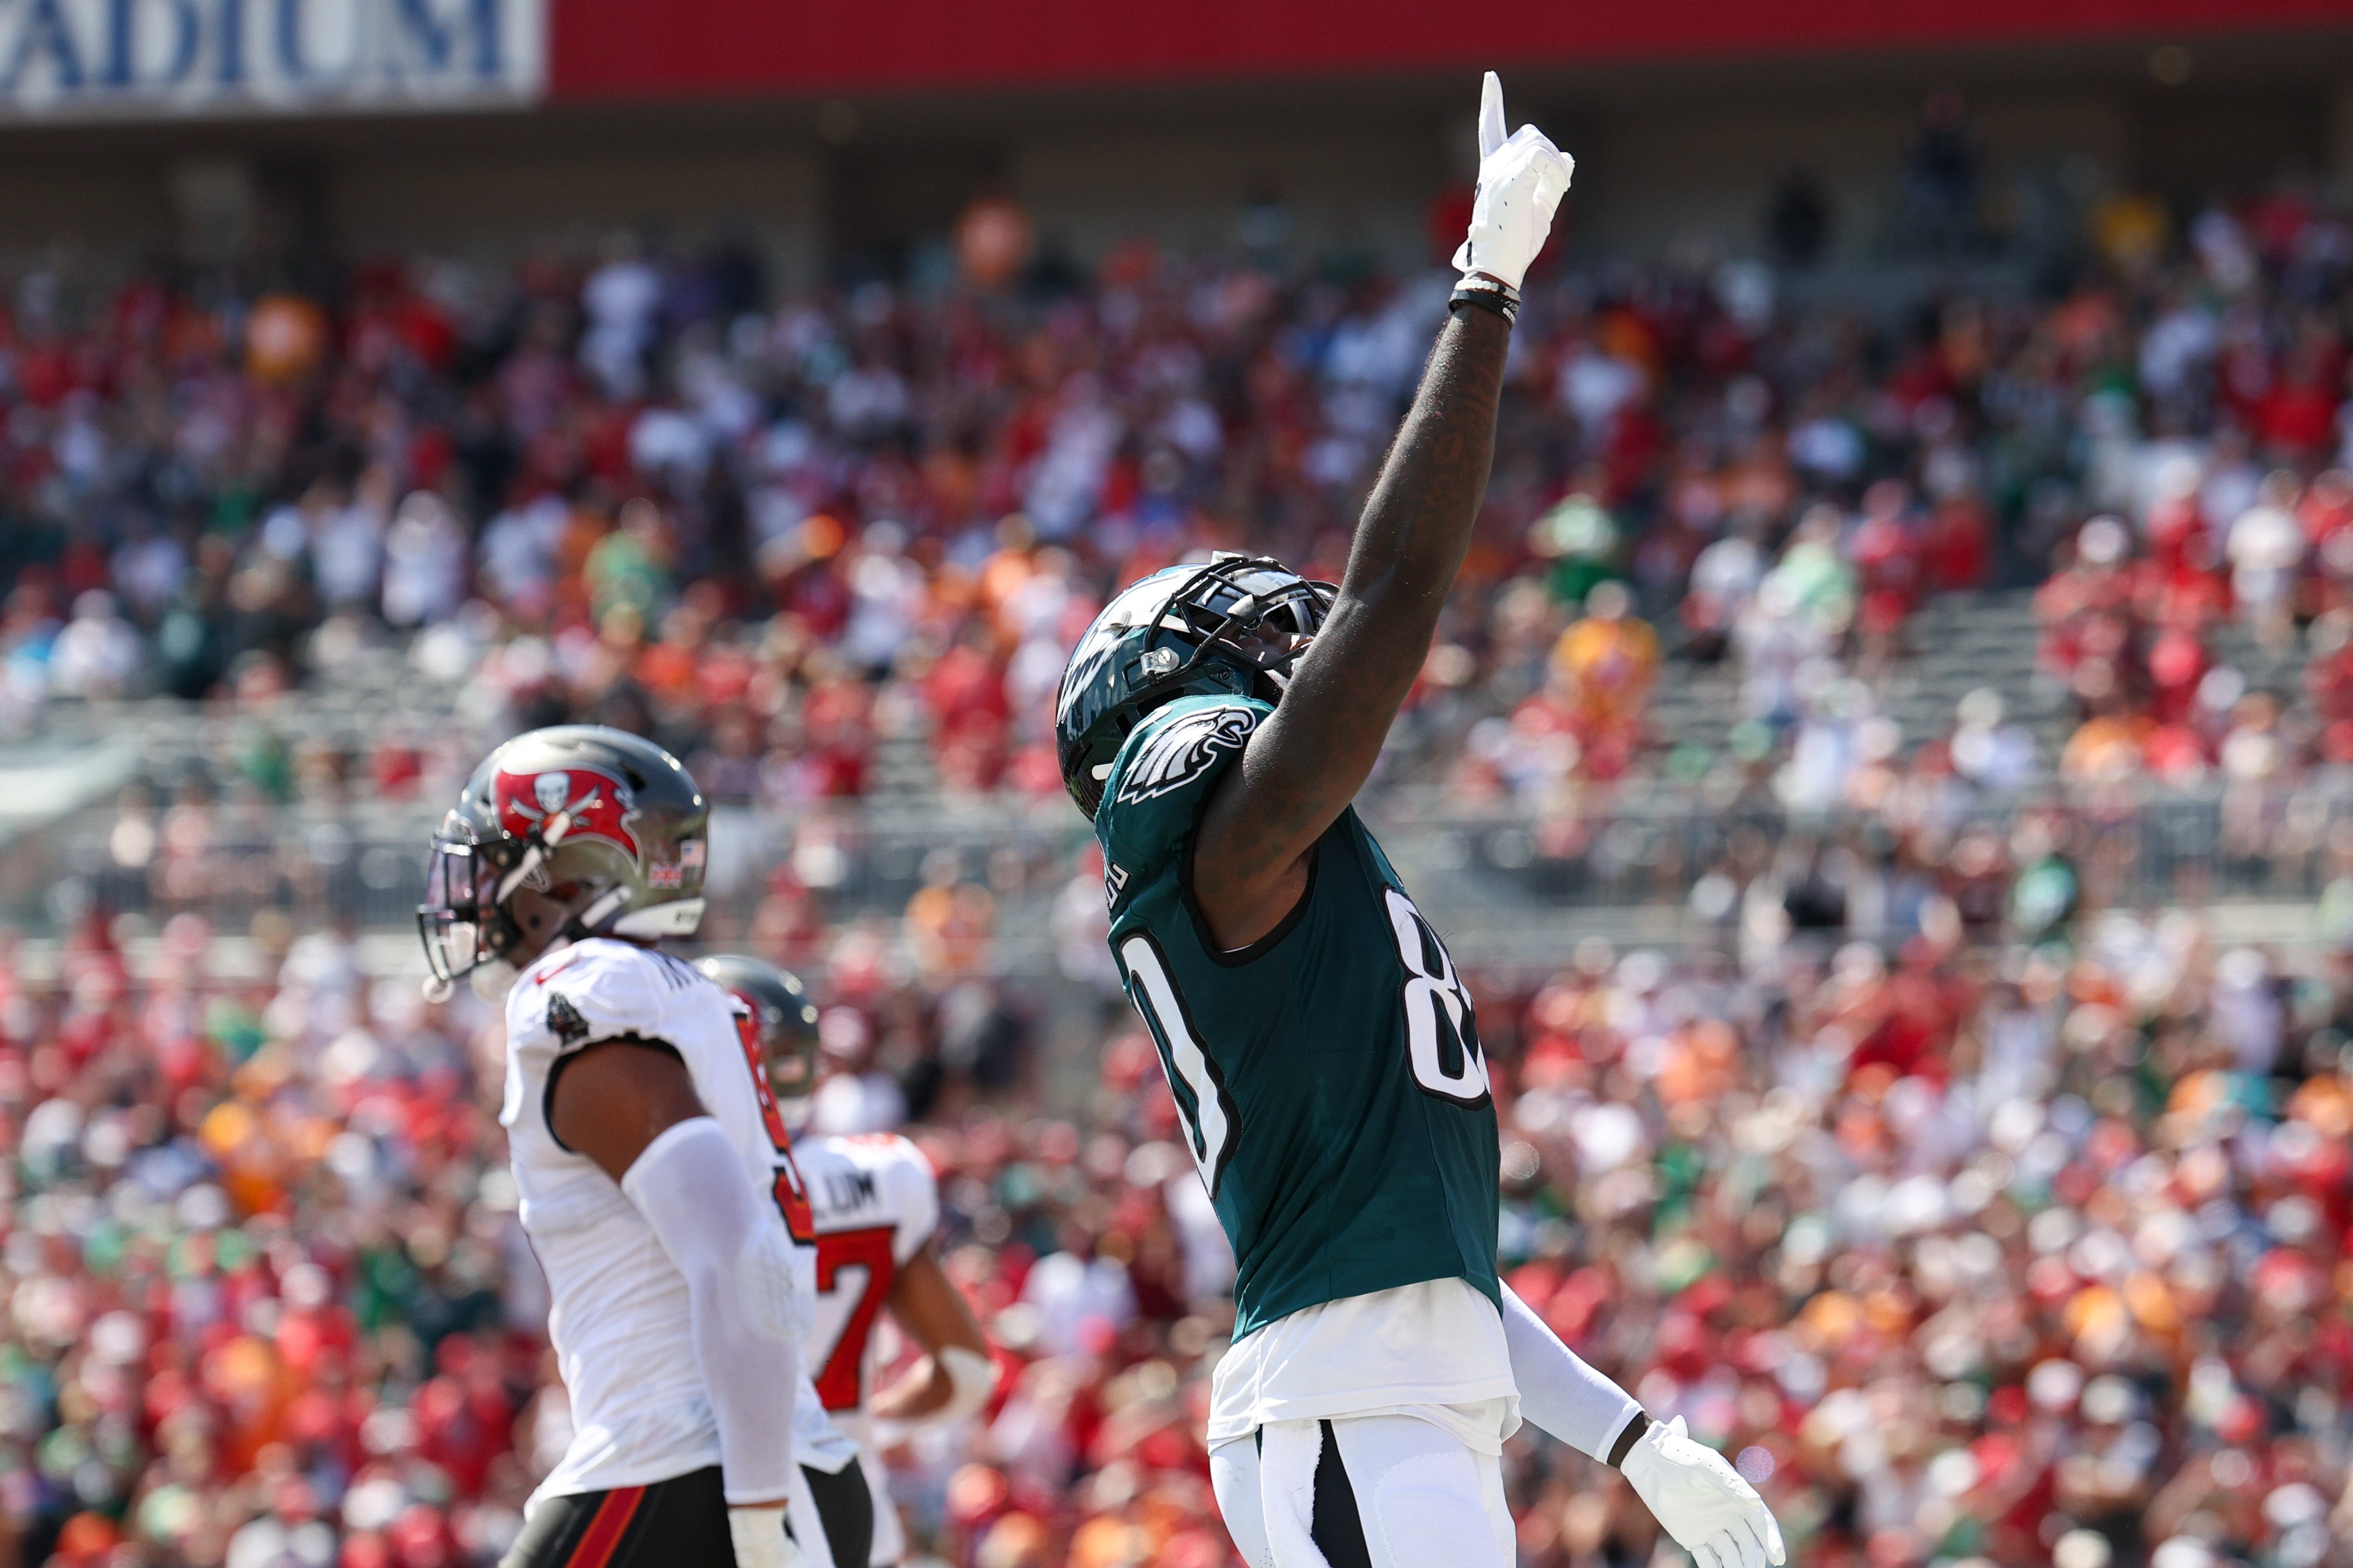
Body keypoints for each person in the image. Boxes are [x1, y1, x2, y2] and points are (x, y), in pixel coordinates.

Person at [1052, 75, 1784, 1568]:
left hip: (1391, 1416)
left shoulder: (1305, 888)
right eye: (1252, 640)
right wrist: (1483, 293)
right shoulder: (1197, 812)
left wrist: (1634, 1440)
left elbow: (1427, 1273)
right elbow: (1387, 609)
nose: (1291, 653)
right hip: (1343, 1424)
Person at [415, 726, 871, 1568]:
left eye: (496, 858)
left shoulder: (584, 996)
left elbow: (740, 1258)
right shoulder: (687, 1000)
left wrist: (755, 1520)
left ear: (570, 869)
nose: (475, 886)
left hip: (686, 1466)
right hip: (773, 1455)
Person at [698, 954, 998, 1567]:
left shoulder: (681, 1192)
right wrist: (866, 1419)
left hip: (722, 1514)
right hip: (853, 1516)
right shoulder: (883, 1173)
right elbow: (965, 1371)